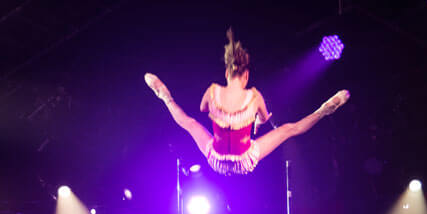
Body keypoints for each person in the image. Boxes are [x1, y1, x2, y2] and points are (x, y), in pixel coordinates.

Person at [145, 29, 350, 176]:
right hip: (244, 159)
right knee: (289, 129)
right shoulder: (254, 97)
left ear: (226, 73)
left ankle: (166, 97)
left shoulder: (212, 91)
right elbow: (262, 120)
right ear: (246, 76)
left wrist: (223, 113)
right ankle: (324, 110)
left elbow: (202, 109)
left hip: (216, 157)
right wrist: (256, 123)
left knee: (189, 123)